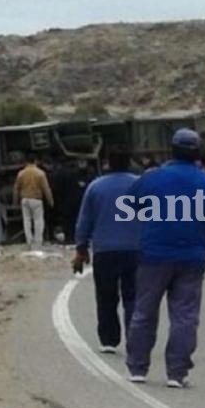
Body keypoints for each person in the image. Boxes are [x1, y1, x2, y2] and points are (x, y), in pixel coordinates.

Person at [125, 128, 205, 388]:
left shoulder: (153, 178)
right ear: (199, 153)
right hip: (192, 258)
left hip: (154, 256)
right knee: (185, 316)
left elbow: (130, 205)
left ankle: (138, 366)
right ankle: (177, 372)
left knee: (144, 311)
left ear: (171, 150)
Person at [73, 149, 140, 354]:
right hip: (135, 250)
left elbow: (84, 221)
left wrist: (81, 249)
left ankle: (109, 339)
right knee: (133, 297)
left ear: (108, 164)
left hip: (104, 251)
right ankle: (135, 337)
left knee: (106, 296)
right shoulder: (141, 185)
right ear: (129, 162)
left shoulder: (95, 187)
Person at [13, 153, 54, 249]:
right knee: (38, 220)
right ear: (36, 161)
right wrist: (50, 201)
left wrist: (15, 202)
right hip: (36, 200)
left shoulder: (21, 173)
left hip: (24, 200)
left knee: (26, 221)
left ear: (26, 162)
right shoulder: (40, 173)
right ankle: (38, 241)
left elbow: (16, 189)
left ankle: (29, 241)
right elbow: (46, 189)